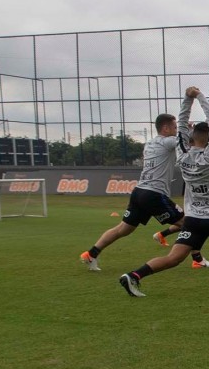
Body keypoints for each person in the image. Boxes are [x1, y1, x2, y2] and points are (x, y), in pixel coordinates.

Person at [119, 86, 209, 297]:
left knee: (174, 258)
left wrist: (187, 99)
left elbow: (183, 124)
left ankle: (134, 276)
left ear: (190, 139)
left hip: (193, 219)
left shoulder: (182, 155)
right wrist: (200, 97)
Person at [80, 113, 188, 271]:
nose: (176, 129)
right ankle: (197, 259)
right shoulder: (167, 142)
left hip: (139, 192)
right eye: (174, 127)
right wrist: (198, 125)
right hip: (154, 194)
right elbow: (186, 140)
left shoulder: (150, 143)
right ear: (165, 128)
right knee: (189, 223)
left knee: (124, 229)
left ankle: (91, 254)